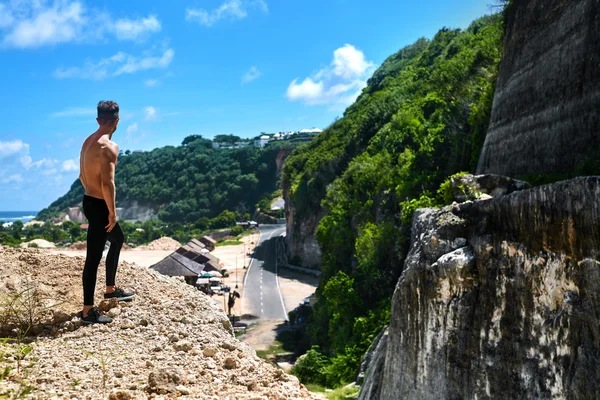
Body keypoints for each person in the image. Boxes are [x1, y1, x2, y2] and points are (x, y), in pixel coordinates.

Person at [78, 100, 134, 324]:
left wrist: (93, 198)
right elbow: (108, 184)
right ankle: (87, 311)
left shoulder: (88, 141)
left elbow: (82, 175)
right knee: (93, 258)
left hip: (89, 200)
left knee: (117, 238)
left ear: (98, 120)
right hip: (100, 206)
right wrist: (112, 212)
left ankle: (111, 289)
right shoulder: (109, 147)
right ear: (117, 121)